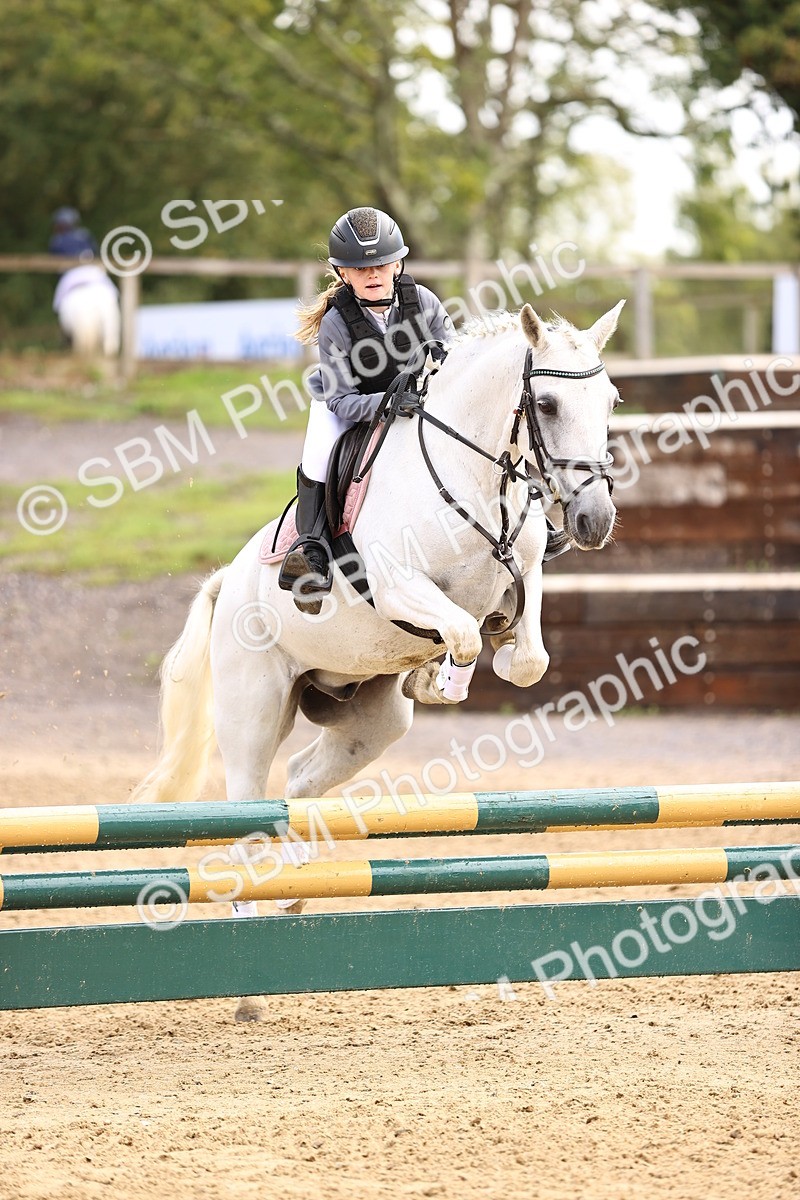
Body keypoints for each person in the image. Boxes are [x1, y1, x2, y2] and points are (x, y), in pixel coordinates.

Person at [279, 206, 453, 604]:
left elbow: (454, 361)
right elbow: (342, 400)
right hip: (349, 402)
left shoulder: (424, 303)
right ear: (343, 273)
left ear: (398, 264)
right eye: (360, 269)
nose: (372, 275)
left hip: (417, 400)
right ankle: (312, 548)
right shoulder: (336, 323)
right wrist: (389, 403)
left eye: (380, 265)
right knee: (319, 453)